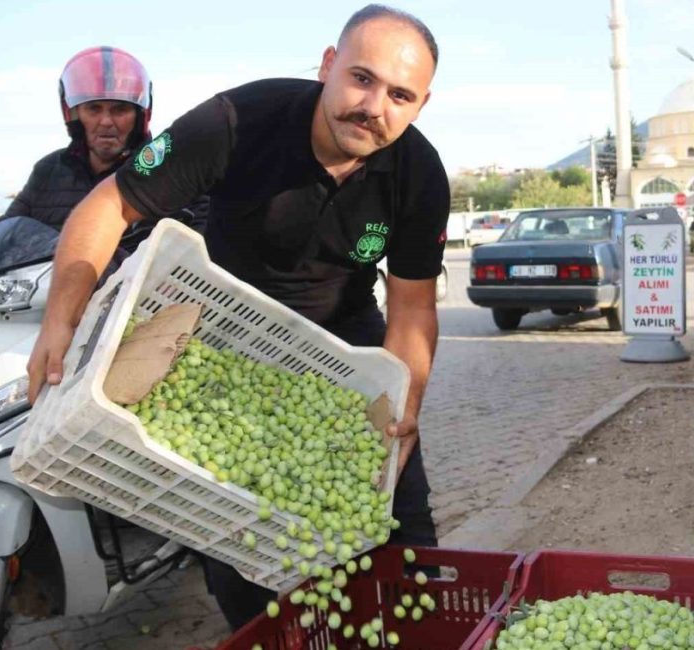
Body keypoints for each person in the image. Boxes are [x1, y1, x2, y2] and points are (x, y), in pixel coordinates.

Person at [25, 4, 448, 630]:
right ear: (329, 66)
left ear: (421, 104)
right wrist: (59, 319)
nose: (374, 106)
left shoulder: (418, 175)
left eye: (400, 95)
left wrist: (402, 405)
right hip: (223, 343)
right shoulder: (238, 120)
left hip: (342, 347)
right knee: (243, 560)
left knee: (399, 535)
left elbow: (412, 310)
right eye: (362, 78)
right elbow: (108, 206)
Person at [0, 46, 206, 252]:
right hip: (54, 284)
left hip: (141, 284)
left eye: (120, 109)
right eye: (94, 109)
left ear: (140, 115)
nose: (106, 121)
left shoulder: (169, 167)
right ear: (74, 114)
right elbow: (4, 233)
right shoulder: (47, 170)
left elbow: (206, 238)